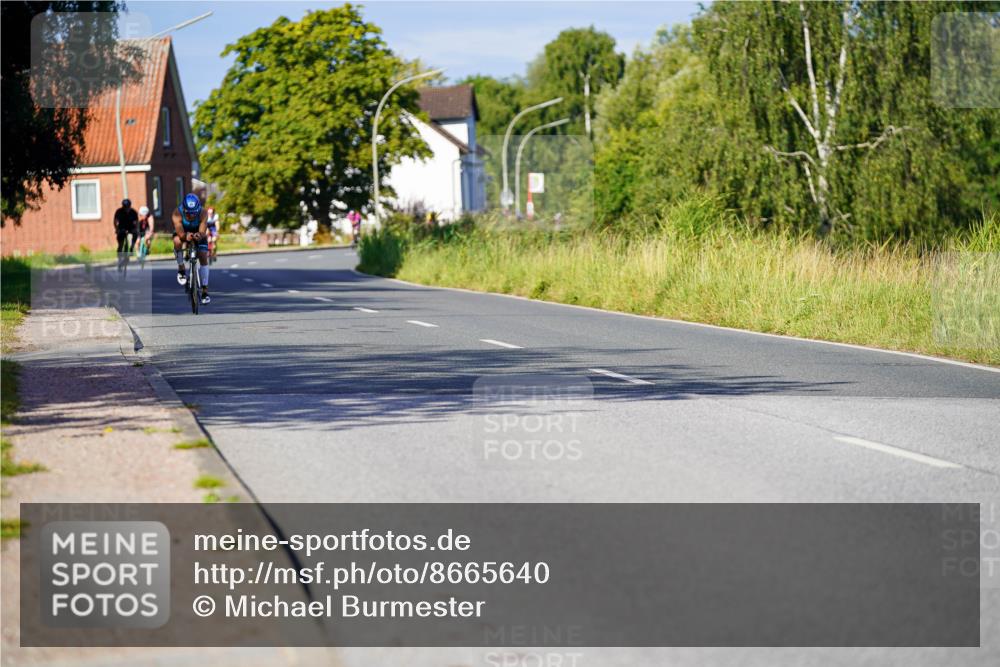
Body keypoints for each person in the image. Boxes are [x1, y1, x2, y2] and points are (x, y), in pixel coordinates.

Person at [172, 193, 211, 304]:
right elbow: (179, 233)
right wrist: (185, 236)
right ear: (184, 209)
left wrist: (199, 235)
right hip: (183, 232)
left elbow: (203, 231)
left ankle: (204, 290)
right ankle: (181, 268)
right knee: (177, 241)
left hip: (198, 231)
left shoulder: (203, 212)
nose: (192, 216)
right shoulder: (177, 213)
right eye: (189, 213)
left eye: (194, 213)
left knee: (203, 255)